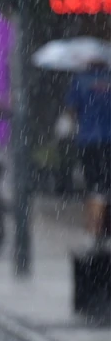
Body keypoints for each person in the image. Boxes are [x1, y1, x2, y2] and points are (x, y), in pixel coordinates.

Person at [64, 58, 111, 241]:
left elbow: (71, 109)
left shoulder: (80, 80)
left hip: (88, 140)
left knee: (94, 185)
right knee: (107, 184)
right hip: (109, 141)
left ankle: (96, 228)